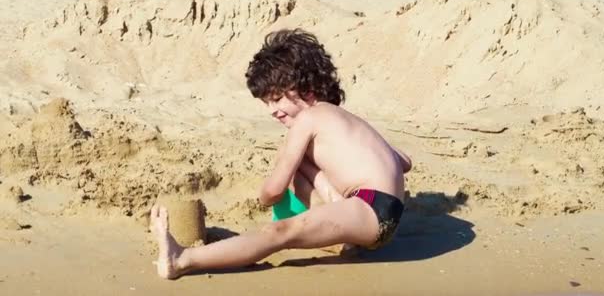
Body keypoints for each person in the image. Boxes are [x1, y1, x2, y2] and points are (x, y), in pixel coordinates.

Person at [150, 28, 412, 279]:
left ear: (306, 90)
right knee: (303, 164)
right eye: (266, 103)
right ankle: (346, 239)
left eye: (276, 99)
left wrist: (265, 197)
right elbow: (404, 162)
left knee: (278, 232)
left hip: (367, 208)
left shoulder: (307, 120)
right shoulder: (346, 119)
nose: (272, 110)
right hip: (383, 210)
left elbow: (272, 192)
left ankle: (182, 259)